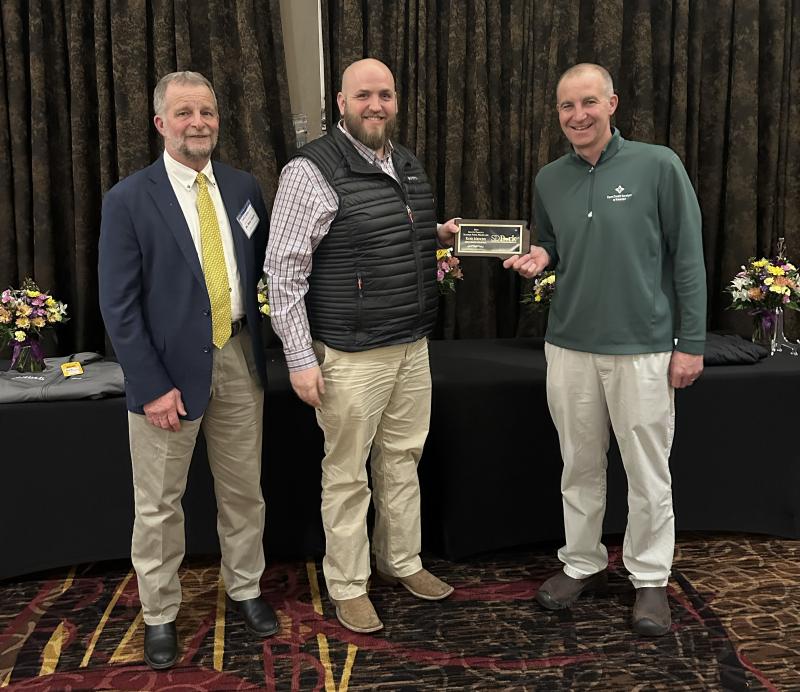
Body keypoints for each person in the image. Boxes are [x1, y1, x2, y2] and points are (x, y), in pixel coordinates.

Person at [505, 63, 706, 636]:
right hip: (569, 347)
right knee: (579, 464)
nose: (579, 116)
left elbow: (688, 257)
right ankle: (582, 562)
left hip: (643, 348)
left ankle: (650, 578)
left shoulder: (658, 165)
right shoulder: (549, 178)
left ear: (612, 103)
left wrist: (690, 343)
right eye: (567, 106)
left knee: (647, 472)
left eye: (589, 102)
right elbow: (552, 242)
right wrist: (542, 256)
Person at [265, 58, 458, 634]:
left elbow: (385, 235)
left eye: (386, 95)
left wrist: (436, 235)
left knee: (402, 460)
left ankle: (401, 561)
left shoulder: (407, 164)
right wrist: (300, 358)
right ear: (341, 104)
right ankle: (348, 585)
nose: (376, 105)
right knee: (347, 475)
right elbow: (284, 273)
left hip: (411, 346)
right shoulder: (310, 171)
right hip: (350, 355)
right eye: (364, 95)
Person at [98, 71, 278, 669]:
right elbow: (118, 306)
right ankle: (159, 613)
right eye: (183, 113)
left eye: (206, 111)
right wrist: (150, 386)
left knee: (243, 491)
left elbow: (265, 268)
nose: (197, 122)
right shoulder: (128, 199)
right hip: (166, 375)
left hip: (239, 359)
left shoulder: (244, 187)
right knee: (158, 505)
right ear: (160, 124)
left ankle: (246, 587)